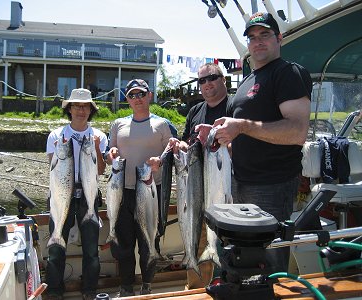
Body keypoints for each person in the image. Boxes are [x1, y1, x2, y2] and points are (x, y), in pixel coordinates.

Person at [197, 12, 312, 273]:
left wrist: (242, 126)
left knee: (267, 267)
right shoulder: (248, 80)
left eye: (265, 35)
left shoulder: (288, 73)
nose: (257, 41)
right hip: (237, 183)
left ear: (279, 38)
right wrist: (219, 130)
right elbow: (242, 131)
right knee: (238, 262)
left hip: (271, 186)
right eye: (252, 37)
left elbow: (297, 131)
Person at [105, 79, 177, 297]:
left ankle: (147, 285)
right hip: (121, 192)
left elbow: (174, 151)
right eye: (132, 95)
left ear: (150, 96)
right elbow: (110, 153)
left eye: (141, 94)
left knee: (148, 242)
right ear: (127, 99)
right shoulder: (118, 124)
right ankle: (126, 287)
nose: (137, 99)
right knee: (124, 244)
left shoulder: (163, 124)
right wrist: (110, 155)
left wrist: (161, 160)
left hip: (150, 190)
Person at [168, 62, 230, 289]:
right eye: (201, 81)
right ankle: (196, 290)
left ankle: (227, 288)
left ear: (223, 79)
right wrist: (180, 145)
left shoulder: (234, 107)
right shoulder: (195, 111)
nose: (206, 84)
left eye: (211, 78)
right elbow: (188, 141)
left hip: (225, 190)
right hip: (195, 191)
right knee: (199, 241)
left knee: (229, 248)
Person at [45, 88, 107, 300]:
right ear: (69, 109)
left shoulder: (99, 136)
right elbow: (54, 168)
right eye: (77, 106)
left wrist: (97, 148)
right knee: (56, 249)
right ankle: (54, 290)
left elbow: (100, 170)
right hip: (62, 195)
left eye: (85, 106)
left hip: (89, 196)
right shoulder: (56, 135)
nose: (81, 110)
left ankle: (89, 290)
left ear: (91, 110)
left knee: (91, 249)